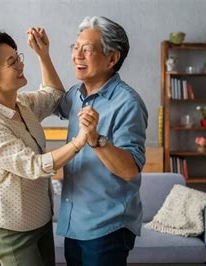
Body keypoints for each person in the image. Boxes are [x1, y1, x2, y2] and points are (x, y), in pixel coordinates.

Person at [0, 28, 87, 266]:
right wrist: (80, 141)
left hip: (39, 218)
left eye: (18, 57)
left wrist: (43, 55)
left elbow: (53, 95)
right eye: (11, 62)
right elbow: (33, 166)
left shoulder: (22, 103)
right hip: (10, 227)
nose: (20, 65)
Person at [55, 16, 148, 266]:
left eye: (87, 49)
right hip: (74, 223)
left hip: (107, 226)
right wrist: (43, 55)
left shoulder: (128, 103)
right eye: (75, 48)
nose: (77, 55)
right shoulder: (77, 94)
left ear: (112, 58)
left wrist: (96, 139)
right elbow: (55, 97)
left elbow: (130, 169)